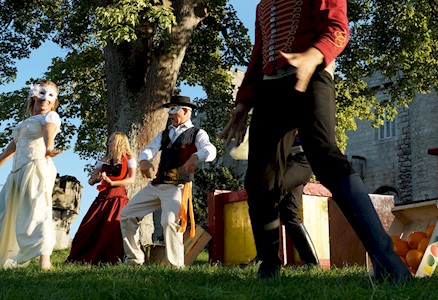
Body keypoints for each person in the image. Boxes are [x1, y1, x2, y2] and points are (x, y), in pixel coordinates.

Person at [219, 0, 412, 283]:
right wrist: (243, 101)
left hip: (312, 77)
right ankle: (269, 266)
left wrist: (315, 54)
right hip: (270, 91)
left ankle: (388, 263)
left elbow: (337, 28)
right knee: (260, 179)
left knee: (327, 160)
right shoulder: (263, 6)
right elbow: (259, 54)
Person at [120, 95, 217, 267]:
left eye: (173, 110)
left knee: (169, 222)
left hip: (177, 187)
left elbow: (210, 149)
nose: (169, 115)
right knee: (127, 214)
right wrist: (144, 160)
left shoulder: (197, 133)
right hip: (156, 185)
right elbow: (150, 149)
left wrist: (196, 156)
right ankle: (134, 260)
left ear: (185, 111)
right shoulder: (164, 134)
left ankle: (175, 266)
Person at [0, 80, 62, 270]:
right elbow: (13, 146)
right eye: (41, 95)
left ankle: (45, 260)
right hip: (16, 172)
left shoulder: (50, 117)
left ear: (53, 101)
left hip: (35, 167)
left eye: (50, 97)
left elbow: (48, 132)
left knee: (37, 210)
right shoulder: (24, 122)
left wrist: (49, 147)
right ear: (34, 96)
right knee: (5, 212)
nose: (44, 100)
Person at [65, 132, 136, 265]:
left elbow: (131, 180)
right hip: (103, 198)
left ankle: (113, 260)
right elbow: (91, 181)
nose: (108, 144)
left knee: (115, 229)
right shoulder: (103, 160)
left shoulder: (129, 160)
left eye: (110, 141)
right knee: (88, 226)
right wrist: (97, 179)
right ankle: (82, 258)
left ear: (119, 143)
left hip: (119, 198)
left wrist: (113, 183)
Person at [281, 134, 319, 266]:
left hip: (302, 159)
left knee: (271, 193)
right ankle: (311, 262)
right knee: (289, 213)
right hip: (285, 161)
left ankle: (264, 258)